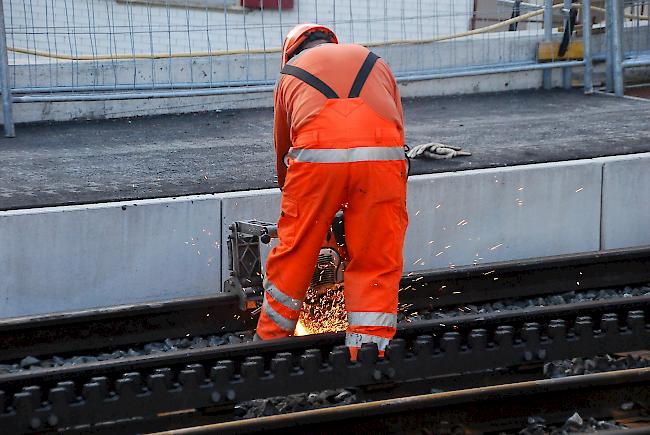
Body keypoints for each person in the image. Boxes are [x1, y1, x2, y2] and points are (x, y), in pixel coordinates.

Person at [255, 23, 408, 361]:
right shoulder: (375, 61)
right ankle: (368, 354)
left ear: (292, 51)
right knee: (375, 257)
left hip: (315, 162)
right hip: (382, 160)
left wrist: (298, 207)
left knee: (294, 254)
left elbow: (284, 149)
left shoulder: (290, 74)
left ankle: (268, 347)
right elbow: (397, 125)